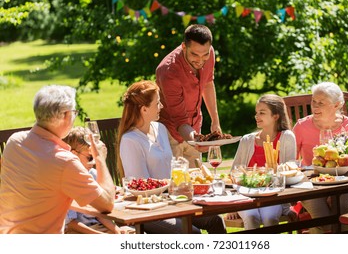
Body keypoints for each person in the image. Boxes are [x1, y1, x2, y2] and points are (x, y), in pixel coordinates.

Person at [0, 85, 115, 234]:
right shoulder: (64, 161)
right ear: (66, 115)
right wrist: (99, 158)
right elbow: (107, 204)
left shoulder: (14, 142)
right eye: (74, 113)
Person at [116, 80, 226, 234]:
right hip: (149, 209)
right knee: (193, 234)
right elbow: (140, 185)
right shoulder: (130, 140)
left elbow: (170, 166)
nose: (161, 107)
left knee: (216, 220)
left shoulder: (160, 128)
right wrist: (171, 186)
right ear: (144, 109)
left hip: (173, 200)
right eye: (157, 103)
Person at [293, 81, 348, 233]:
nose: (315, 106)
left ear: (337, 105)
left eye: (321, 102)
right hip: (311, 185)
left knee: (344, 213)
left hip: (344, 183)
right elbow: (290, 163)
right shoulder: (301, 127)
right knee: (324, 218)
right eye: (313, 101)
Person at [227, 94, 298, 229]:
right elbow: (233, 173)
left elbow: (290, 171)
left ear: (275, 116)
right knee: (251, 216)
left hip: (273, 195)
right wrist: (233, 205)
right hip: (245, 194)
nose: (257, 116)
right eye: (256, 113)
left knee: (270, 218)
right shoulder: (247, 140)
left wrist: (286, 207)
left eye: (262, 113)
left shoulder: (287, 137)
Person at [156, 24, 221, 168]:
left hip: (194, 127)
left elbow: (208, 83)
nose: (200, 60)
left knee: (198, 181)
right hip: (169, 133)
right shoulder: (169, 72)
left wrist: (215, 121)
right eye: (194, 55)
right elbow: (180, 121)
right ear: (184, 47)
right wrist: (196, 140)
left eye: (205, 55)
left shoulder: (208, 52)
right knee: (176, 185)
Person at [63, 127, 134, 234]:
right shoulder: (68, 180)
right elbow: (71, 224)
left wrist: (117, 231)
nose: (93, 163)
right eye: (90, 158)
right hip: (78, 231)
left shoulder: (92, 174)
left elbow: (101, 214)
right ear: (74, 154)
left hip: (97, 227)